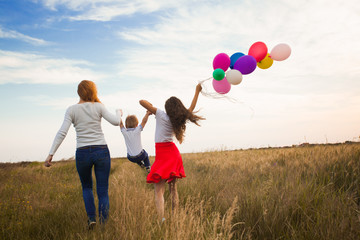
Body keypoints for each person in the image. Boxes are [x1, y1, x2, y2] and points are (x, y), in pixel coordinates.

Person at [44, 80, 120, 229]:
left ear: (79, 92)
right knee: (103, 190)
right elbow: (116, 122)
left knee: (86, 188)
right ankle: (103, 225)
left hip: (83, 153)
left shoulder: (71, 110)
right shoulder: (99, 106)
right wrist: (119, 112)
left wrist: (51, 154)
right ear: (93, 91)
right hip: (101, 151)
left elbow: (62, 133)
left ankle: (91, 219)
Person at [139, 83, 204, 222]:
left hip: (163, 155)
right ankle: (175, 218)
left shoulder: (161, 114)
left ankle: (161, 220)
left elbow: (141, 102)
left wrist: (150, 107)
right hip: (173, 154)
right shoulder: (178, 119)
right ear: (179, 108)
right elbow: (191, 108)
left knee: (158, 190)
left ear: (167, 108)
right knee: (173, 189)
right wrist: (197, 91)